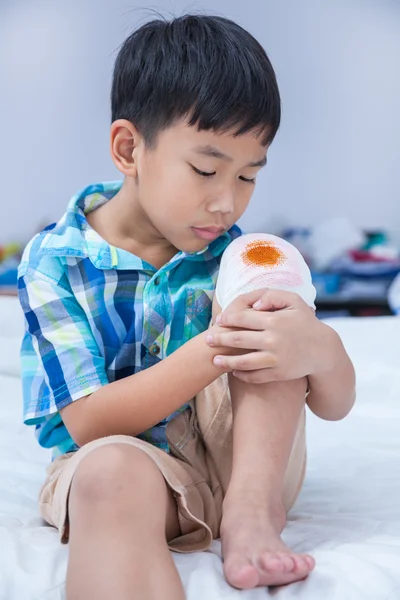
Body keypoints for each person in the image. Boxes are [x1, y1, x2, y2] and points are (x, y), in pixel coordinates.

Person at [17, 14, 356, 600]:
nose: (227, 201)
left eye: (249, 175)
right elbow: (87, 422)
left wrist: (320, 349)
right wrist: (214, 348)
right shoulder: (55, 262)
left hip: (248, 471)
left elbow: (335, 403)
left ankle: (250, 515)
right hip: (132, 470)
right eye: (205, 169)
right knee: (108, 474)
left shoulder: (240, 257)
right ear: (129, 148)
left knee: (270, 316)